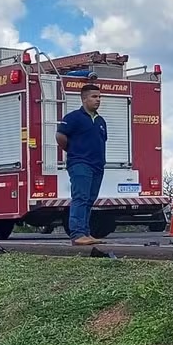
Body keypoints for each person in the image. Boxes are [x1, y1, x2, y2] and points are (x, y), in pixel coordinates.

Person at [56, 84, 107, 246]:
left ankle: (85, 232)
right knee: (80, 197)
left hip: (97, 166)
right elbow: (60, 136)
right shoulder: (73, 118)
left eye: (99, 97)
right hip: (80, 163)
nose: (98, 100)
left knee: (90, 199)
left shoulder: (100, 121)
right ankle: (77, 234)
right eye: (94, 97)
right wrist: (74, 151)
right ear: (84, 98)